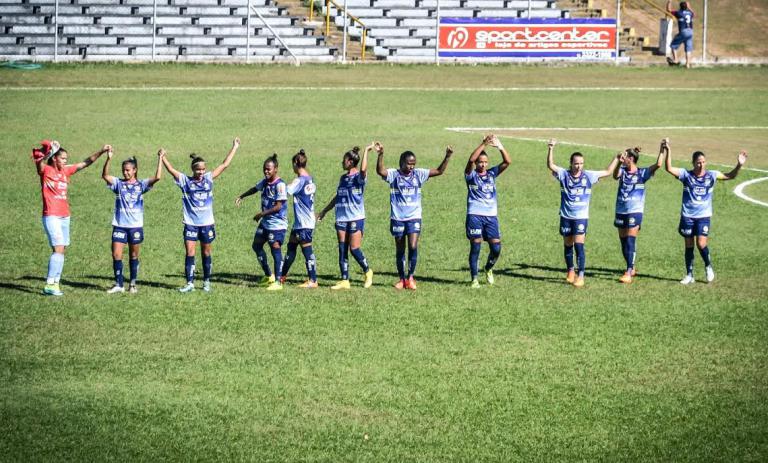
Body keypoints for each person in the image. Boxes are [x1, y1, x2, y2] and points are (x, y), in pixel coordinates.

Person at [33, 140, 111, 296]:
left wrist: (102, 151)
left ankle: (55, 283)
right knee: (58, 249)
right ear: (54, 158)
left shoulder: (66, 171)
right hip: (51, 216)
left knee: (62, 250)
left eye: (66, 159)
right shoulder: (46, 170)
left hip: (65, 216)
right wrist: (48, 151)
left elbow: (85, 163)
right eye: (62, 158)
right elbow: (39, 162)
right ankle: (49, 284)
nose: (65, 161)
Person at [162, 138, 240, 293]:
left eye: (203, 169)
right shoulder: (185, 181)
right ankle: (190, 283)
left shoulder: (209, 179)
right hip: (190, 224)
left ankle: (206, 282)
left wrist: (235, 147)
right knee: (190, 253)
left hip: (206, 224)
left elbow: (224, 165)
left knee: (206, 252)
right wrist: (162, 157)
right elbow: (171, 170)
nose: (201, 172)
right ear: (193, 169)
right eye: (198, 170)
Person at [664, 142, 747, 284]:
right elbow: (669, 168)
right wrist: (668, 150)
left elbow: (730, 176)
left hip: (703, 216)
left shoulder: (712, 175)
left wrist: (739, 165)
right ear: (693, 163)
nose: (701, 165)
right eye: (698, 162)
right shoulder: (686, 175)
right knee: (689, 245)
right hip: (688, 216)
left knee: (701, 244)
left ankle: (708, 266)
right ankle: (689, 275)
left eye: (703, 162)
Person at [376, 142, 453, 290]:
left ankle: (410, 277)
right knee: (400, 249)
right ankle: (401, 279)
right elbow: (380, 171)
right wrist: (381, 155)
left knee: (412, 246)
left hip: (414, 217)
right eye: (409, 163)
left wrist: (447, 156)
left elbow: (439, 171)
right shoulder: (394, 174)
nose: (411, 166)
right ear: (401, 163)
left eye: (413, 164)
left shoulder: (418, 174)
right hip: (398, 218)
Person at [547, 139, 619, 287]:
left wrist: (617, 158)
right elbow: (551, 165)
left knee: (579, 246)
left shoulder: (589, 176)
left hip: (581, 218)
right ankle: (570, 270)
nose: (579, 166)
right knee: (568, 245)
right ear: (571, 163)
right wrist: (551, 148)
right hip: (566, 216)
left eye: (581, 163)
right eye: (576, 163)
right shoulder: (564, 174)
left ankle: (580, 276)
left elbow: (607, 172)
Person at [101, 149, 163, 294]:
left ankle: (133, 284)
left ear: (134, 170)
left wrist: (160, 158)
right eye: (123, 170)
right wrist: (108, 159)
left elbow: (158, 177)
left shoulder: (141, 185)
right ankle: (119, 284)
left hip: (135, 227)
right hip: (119, 226)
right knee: (116, 255)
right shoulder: (118, 184)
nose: (125, 173)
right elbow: (105, 176)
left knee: (133, 256)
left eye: (128, 170)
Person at [317, 145, 373, 290]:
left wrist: (366, 151)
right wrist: (324, 211)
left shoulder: (359, 178)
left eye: (344, 160)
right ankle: (344, 280)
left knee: (354, 248)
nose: (342, 162)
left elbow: (363, 170)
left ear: (350, 162)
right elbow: (338, 197)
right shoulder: (343, 178)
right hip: (341, 218)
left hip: (356, 217)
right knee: (342, 249)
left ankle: (368, 271)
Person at [611, 140, 664, 283]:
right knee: (623, 242)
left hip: (635, 211)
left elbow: (658, 164)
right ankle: (632, 267)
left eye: (625, 156)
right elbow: (615, 175)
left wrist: (662, 149)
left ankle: (628, 272)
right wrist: (618, 162)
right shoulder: (622, 171)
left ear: (631, 159)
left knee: (630, 240)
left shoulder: (642, 173)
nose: (623, 158)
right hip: (621, 210)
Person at [236, 153, 288, 291]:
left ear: (276, 169)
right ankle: (269, 275)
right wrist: (242, 196)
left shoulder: (280, 185)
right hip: (265, 223)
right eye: (264, 169)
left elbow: (278, 206)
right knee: (256, 246)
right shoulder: (265, 182)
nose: (266, 171)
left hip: (277, 225)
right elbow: (255, 188)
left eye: (268, 169)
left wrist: (261, 214)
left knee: (275, 249)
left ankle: (278, 281)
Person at [465, 134, 511, 288]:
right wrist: (483, 143)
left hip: (491, 217)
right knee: (476, 247)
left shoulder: (492, 173)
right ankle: (474, 279)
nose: (483, 165)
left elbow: (507, 162)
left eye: (485, 162)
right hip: (475, 215)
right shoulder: (470, 175)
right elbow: (470, 160)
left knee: (496, 248)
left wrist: (500, 146)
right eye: (480, 162)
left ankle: (488, 268)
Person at [279, 149, 318, 288]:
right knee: (291, 247)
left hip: (304, 223)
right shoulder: (310, 179)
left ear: (296, 163)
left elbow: (285, 191)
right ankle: (282, 276)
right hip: (301, 222)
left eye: (293, 164)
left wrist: (276, 183)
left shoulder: (299, 180)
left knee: (307, 251)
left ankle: (313, 280)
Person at [666, 1, 694, 68]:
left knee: (673, 45)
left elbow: (668, 10)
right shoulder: (690, 13)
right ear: (686, 7)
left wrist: (669, 2)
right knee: (688, 49)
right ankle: (687, 64)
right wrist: (689, 7)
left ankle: (676, 60)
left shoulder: (679, 13)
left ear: (680, 7)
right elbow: (693, 13)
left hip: (684, 31)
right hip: (690, 31)